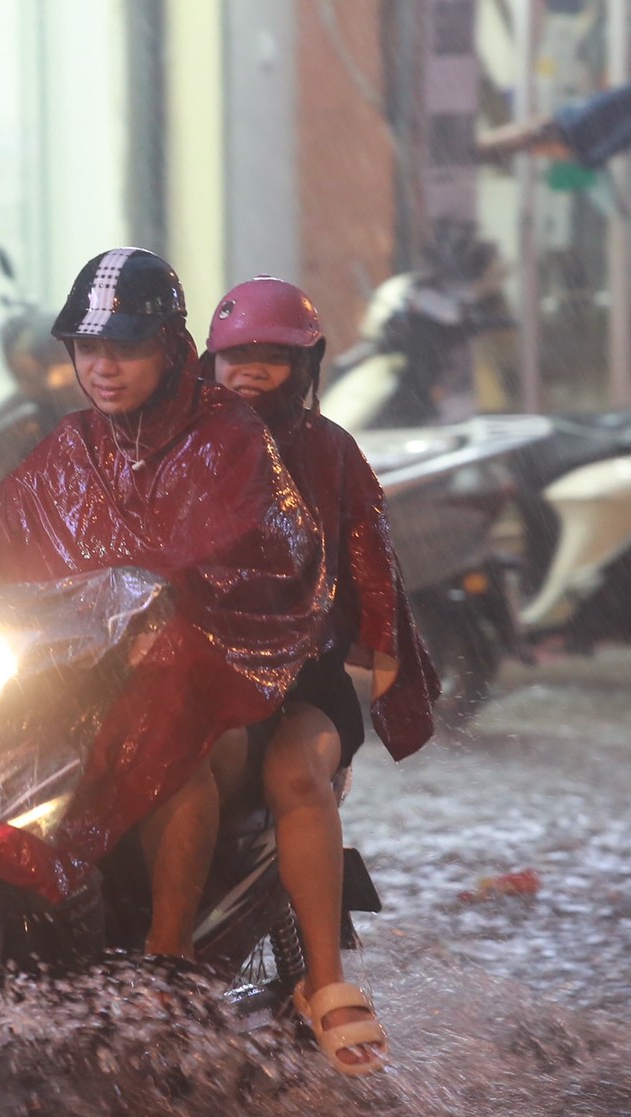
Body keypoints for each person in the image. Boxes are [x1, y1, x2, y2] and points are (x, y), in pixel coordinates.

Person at [0, 248, 325, 956]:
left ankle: (169, 959)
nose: (103, 365)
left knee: (169, 752)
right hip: (77, 677)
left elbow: (254, 550)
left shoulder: (229, 437)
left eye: (126, 345)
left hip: (204, 680)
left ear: (171, 348)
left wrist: (170, 606)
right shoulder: (70, 444)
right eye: (87, 346)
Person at [203, 276, 440, 1076]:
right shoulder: (172, 442)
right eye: (237, 357)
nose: (250, 373)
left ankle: (324, 983)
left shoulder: (330, 450)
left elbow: (376, 571)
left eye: (272, 358)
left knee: (293, 776)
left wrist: (373, 677)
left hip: (303, 677)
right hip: (196, 670)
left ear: (306, 366)